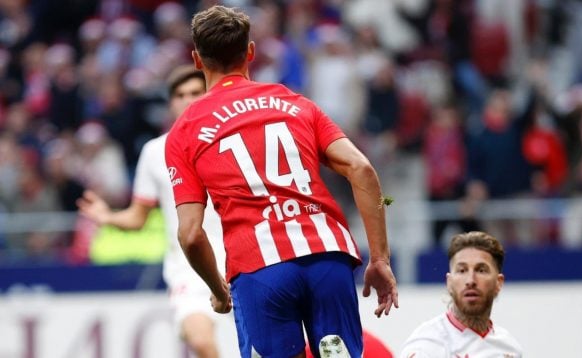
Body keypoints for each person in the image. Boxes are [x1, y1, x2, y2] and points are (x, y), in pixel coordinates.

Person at [165, 5, 399, 358]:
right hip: (327, 257)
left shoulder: (185, 129)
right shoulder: (295, 102)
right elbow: (362, 169)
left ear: (197, 60)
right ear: (250, 52)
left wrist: (217, 288)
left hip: (260, 268)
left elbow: (191, 234)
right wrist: (379, 257)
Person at [77, 65, 237, 358]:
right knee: (201, 342)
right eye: (180, 94)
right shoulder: (155, 152)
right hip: (189, 270)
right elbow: (138, 217)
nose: (188, 100)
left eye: (196, 93)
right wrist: (108, 217)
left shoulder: (233, 139)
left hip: (241, 259)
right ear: (171, 102)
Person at [399, 231, 523, 357]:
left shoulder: (509, 349)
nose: (471, 280)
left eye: (481, 270)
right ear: (449, 282)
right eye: (462, 270)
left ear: (498, 282)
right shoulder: (427, 346)